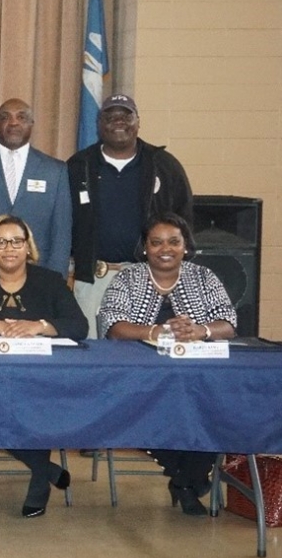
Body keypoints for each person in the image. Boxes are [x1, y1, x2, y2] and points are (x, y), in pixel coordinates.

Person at [0, 214, 85, 517]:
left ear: (27, 247)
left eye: (16, 241)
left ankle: (39, 478)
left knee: (37, 407)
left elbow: (79, 325)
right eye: (1, 242)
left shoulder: (49, 280)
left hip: (38, 377)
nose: (9, 248)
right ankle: (43, 467)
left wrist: (40, 326)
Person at [98, 213, 236, 516]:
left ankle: (184, 481)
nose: (165, 248)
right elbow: (112, 325)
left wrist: (201, 331)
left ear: (185, 246)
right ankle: (188, 481)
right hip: (139, 379)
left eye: (174, 242)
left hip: (196, 377)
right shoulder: (128, 277)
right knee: (146, 413)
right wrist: (154, 332)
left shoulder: (203, 276)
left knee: (215, 411)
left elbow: (229, 321)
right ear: (145, 247)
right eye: (156, 242)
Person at [69, 94, 194, 338]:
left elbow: (185, 222)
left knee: (146, 349)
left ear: (138, 122)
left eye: (126, 115)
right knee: (92, 355)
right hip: (93, 279)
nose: (119, 121)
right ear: (99, 124)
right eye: (110, 116)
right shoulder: (78, 165)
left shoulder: (164, 165)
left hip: (149, 279)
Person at [0, 98, 71, 278]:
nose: (13, 123)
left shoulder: (55, 171)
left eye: (21, 117)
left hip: (39, 276)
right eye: (5, 117)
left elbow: (61, 234)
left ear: (31, 124)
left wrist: (55, 283)